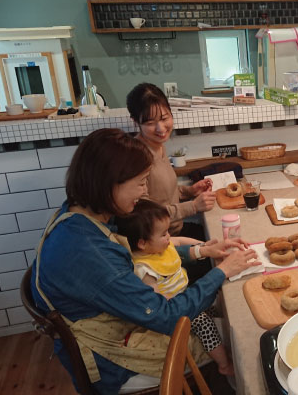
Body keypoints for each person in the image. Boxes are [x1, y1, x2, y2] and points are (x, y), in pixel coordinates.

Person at [31, 128, 259, 394]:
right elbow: (167, 316)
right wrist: (221, 272)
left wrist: (203, 251)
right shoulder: (87, 252)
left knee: (225, 312)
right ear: (109, 183)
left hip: (125, 319)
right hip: (112, 361)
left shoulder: (82, 213)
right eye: (140, 183)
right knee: (237, 338)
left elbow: (149, 256)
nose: (143, 192)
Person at [115, 199, 235, 376]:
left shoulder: (157, 247)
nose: (168, 237)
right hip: (178, 311)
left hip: (185, 295)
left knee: (220, 305)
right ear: (142, 243)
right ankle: (223, 364)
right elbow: (159, 304)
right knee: (204, 323)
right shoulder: (144, 269)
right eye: (164, 234)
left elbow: (178, 241)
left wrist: (204, 246)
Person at [126, 82, 215, 239]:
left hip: (173, 231)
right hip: (160, 241)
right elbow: (144, 214)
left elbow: (160, 194)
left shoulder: (158, 146)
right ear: (135, 121)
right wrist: (193, 206)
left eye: (164, 118)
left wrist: (189, 191)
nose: (160, 128)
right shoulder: (137, 158)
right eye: (150, 123)